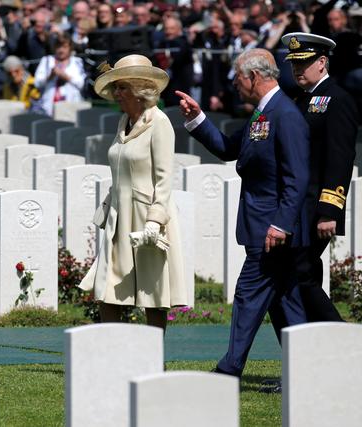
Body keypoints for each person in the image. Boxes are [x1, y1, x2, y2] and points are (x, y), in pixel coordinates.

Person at [175, 48, 310, 377]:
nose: (234, 83)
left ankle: (229, 368)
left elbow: (298, 177)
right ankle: (309, 371)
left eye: (238, 76)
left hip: (272, 231)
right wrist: (197, 117)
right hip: (264, 228)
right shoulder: (264, 113)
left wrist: (281, 224)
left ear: (255, 77)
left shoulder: (285, 115)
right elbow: (227, 148)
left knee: (249, 296)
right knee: (285, 303)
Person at [79, 54, 188, 330]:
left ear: (140, 90)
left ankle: (152, 358)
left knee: (153, 291)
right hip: (119, 215)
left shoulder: (158, 122)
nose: (117, 94)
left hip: (146, 217)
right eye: (116, 88)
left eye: (122, 87)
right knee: (108, 287)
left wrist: (155, 219)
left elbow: (164, 178)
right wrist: (106, 207)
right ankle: (113, 350)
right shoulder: (124, 122)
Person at [280, 32, 359, 322]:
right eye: (294, 64)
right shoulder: (301, 99)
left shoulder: (338, 99)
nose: (297, 69)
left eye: (305, 62)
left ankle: (339, 341)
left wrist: (329, 211)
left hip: (316, 208)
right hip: (297, 206)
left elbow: (340, 159)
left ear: (322, 62)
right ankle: (313, 348)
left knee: (301, 274)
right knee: (301, 275)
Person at [33, 33, 85, 116]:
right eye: (58, 47)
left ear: (70, 48)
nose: (61, 50)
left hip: (70, 108)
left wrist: (65, 76)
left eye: (64, 47)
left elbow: (81, 84)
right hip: (48, 108)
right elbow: (37, 83)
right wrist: (50, 76)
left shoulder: (77, 62)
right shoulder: (46, 61)